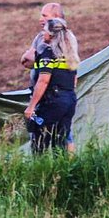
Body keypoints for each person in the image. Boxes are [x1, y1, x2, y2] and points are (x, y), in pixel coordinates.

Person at [24, 14, 80, 155]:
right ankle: (61, 172)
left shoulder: (48, 53)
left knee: (39, 138)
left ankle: (40, 172)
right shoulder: (70, 54)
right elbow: (74, 81)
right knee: (60, 142)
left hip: (53, 100)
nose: (43, 34)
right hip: (69, 100)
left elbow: (43, 81)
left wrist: (31, 107)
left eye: (45, 31)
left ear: (50, 34)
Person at [20, 2, 66, 71]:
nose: (40, 19)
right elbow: (26, 62)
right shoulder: (40, 37)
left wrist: (33, 57)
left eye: (45, 16)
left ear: (57, 17)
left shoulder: (66, 37)